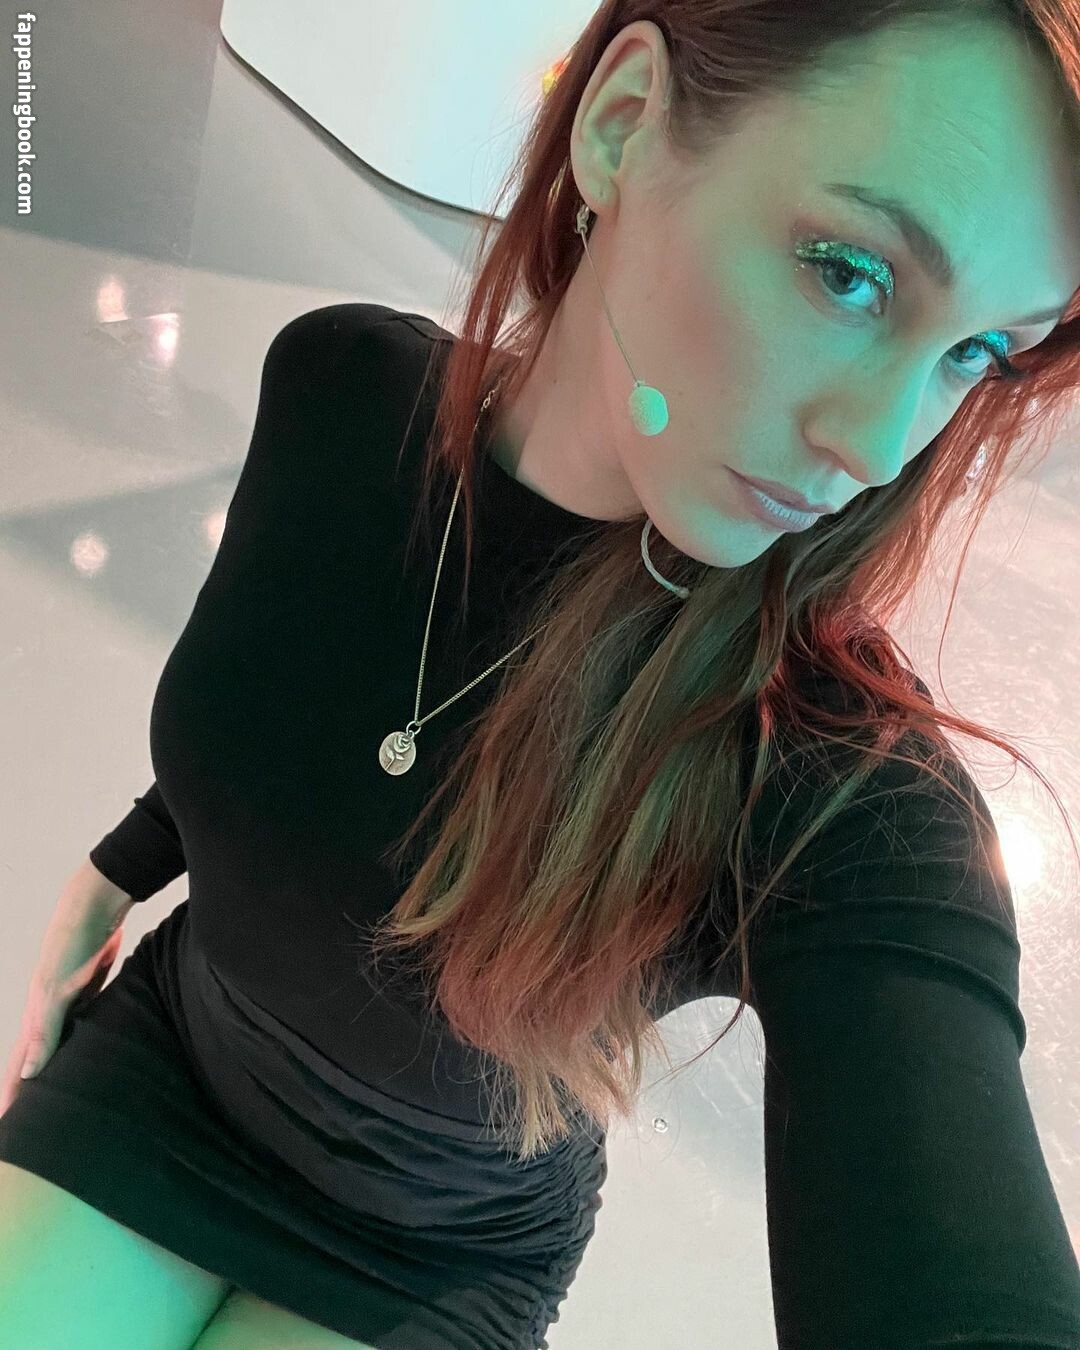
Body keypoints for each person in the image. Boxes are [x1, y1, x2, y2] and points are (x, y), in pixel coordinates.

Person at [2, 4, 1080, 1349]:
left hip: (439, 1245)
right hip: (171, 1069)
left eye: (976, 353)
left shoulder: (833, 780)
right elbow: (295, 694)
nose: (877, 445)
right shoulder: (339, 385)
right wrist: (119, 863)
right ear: (622, 124)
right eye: (849, 272)